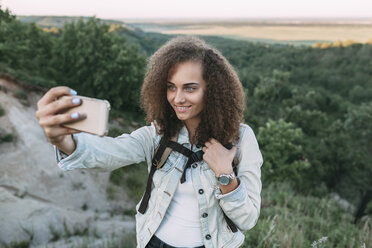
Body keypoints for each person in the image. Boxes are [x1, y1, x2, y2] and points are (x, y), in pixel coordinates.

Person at [36, 36, 263, 248]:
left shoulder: (240, 139)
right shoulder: (158, 134)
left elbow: (248, 218)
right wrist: (63, 140)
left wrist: (225, 175)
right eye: (171, 87)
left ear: (212, 91)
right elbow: (108, 153)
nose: (178, 98)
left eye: (190, 88)